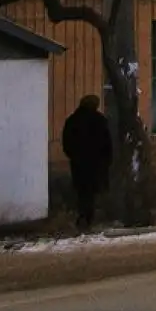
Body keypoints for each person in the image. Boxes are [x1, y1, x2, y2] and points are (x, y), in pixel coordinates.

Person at [61, 93, 114, 230]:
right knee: (92, 192)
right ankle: (88, 218)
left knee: (82, 191)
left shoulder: (72, 120)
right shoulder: (100, 120)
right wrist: (107, 160)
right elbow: (107, 143)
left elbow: (66, 143)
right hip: (96, 164)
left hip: (78, 164)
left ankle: (82, 216)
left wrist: (74, 156)